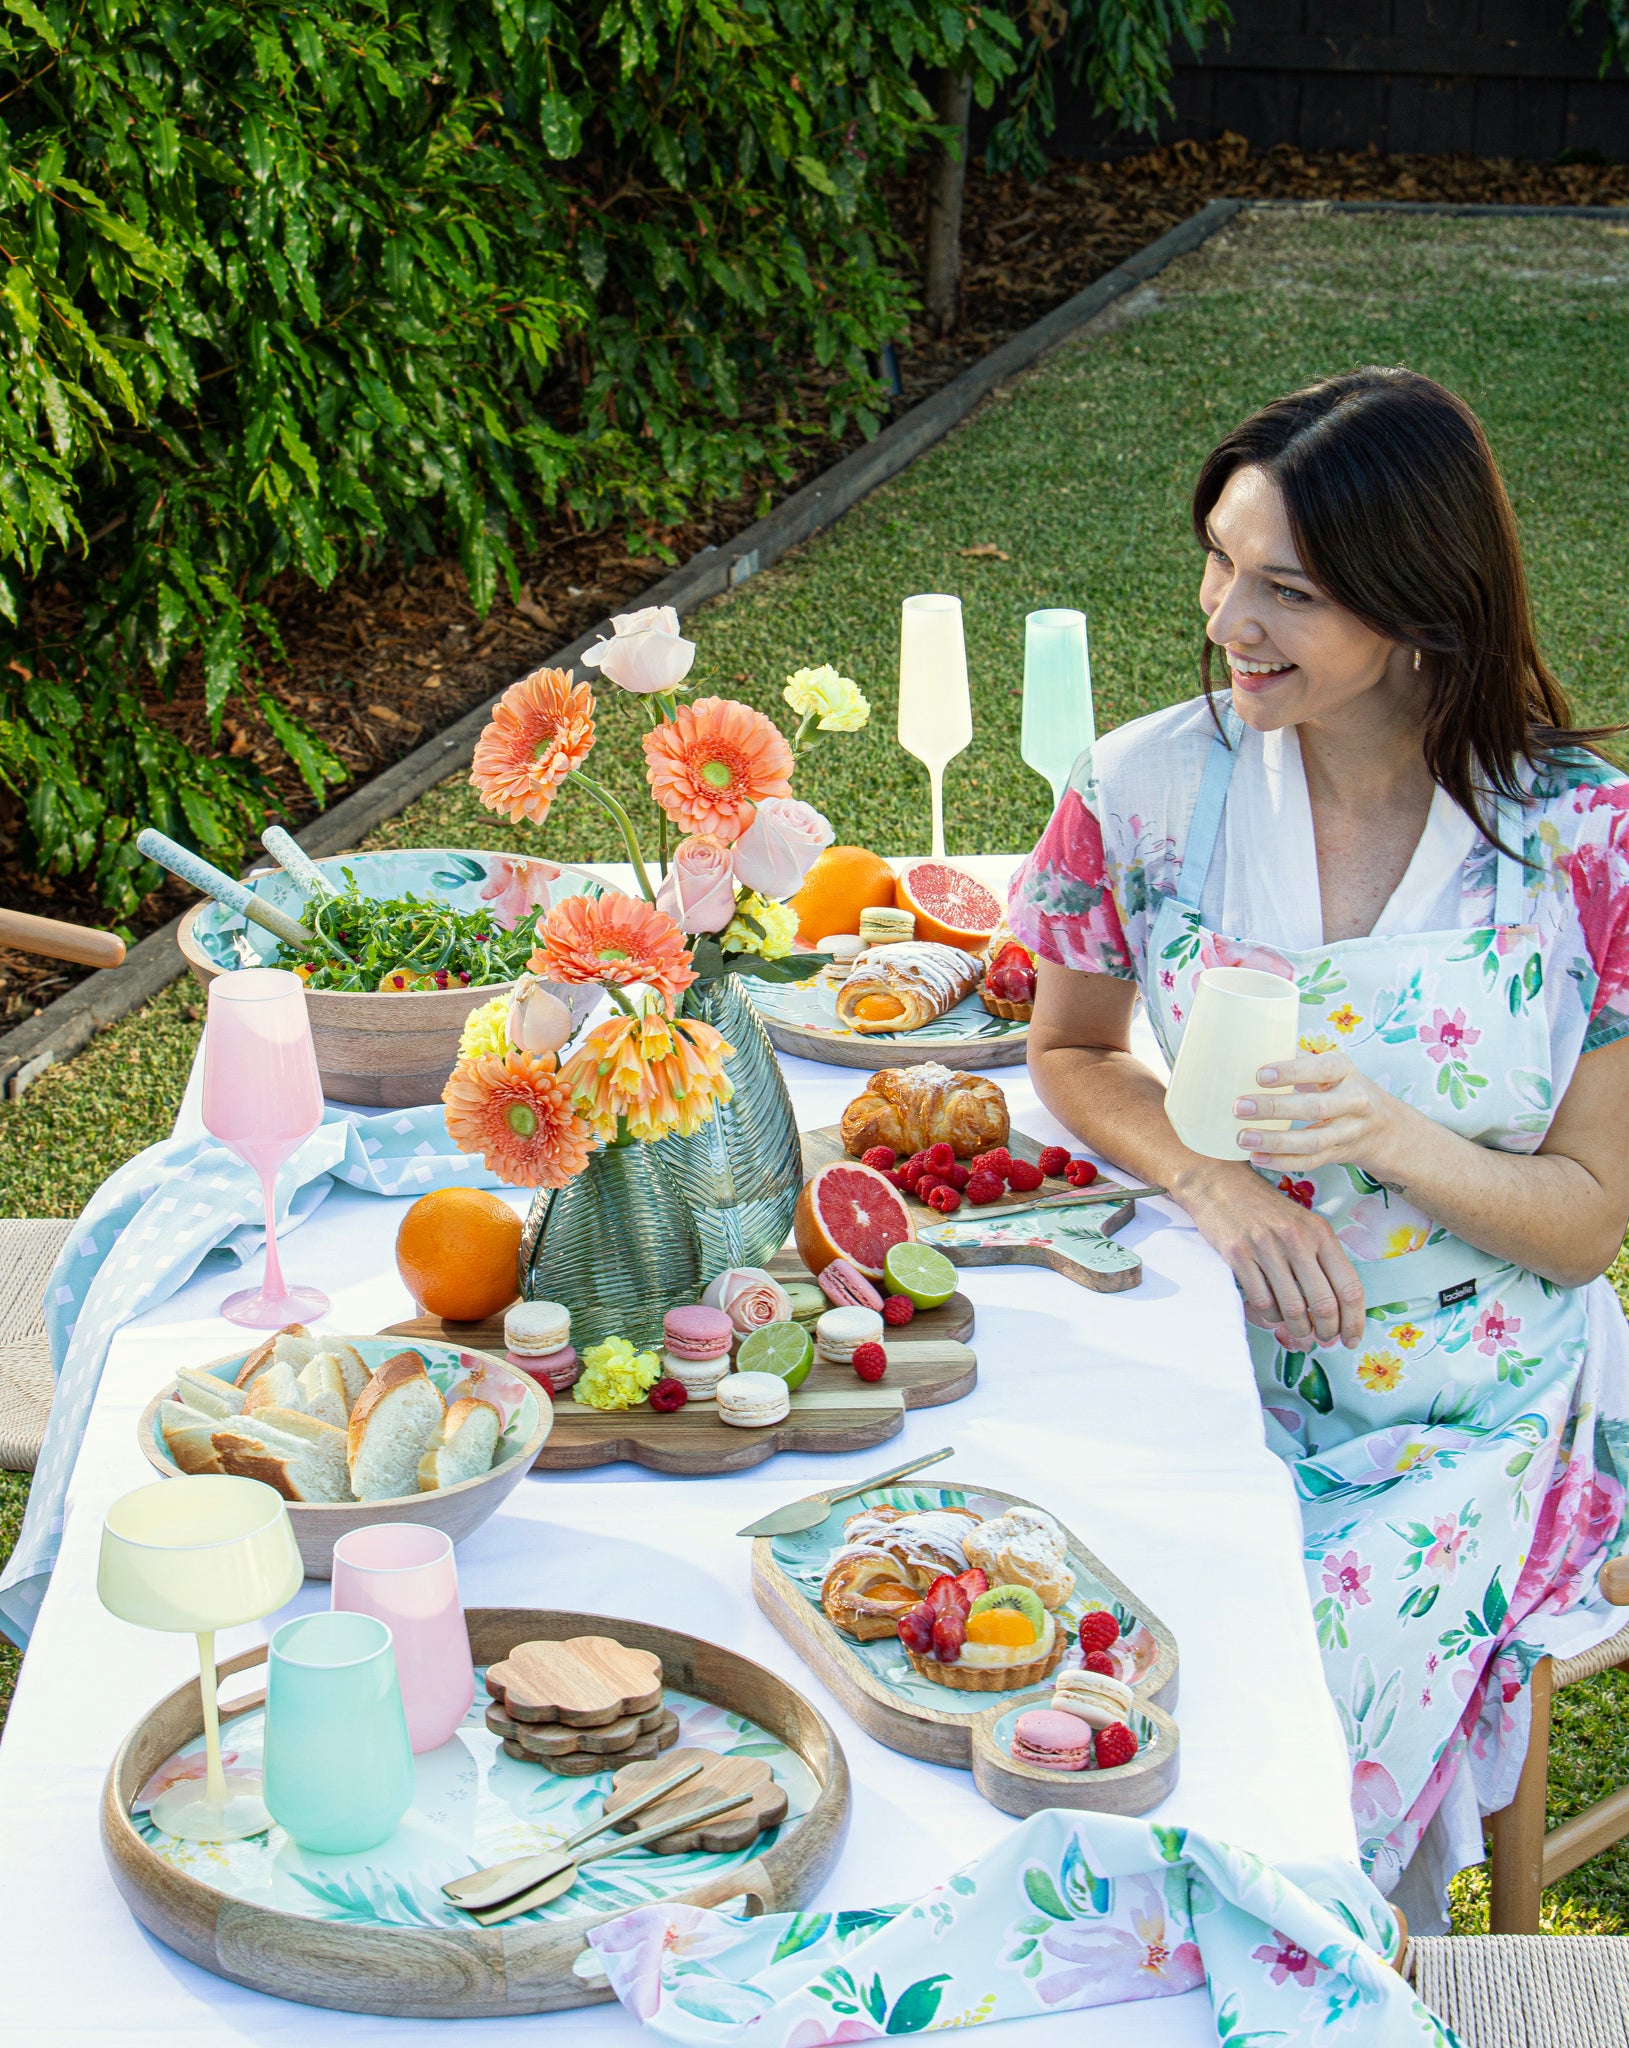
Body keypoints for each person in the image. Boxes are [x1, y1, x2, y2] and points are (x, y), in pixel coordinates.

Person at [1009, 367, 1629, 1924]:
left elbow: (1583, 1226)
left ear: (1421, 608)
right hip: (1203, 1368)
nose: (1228, 620)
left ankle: (1344, 1977)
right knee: (1053, 1686)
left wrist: (1392, 1135)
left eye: (1286, 588)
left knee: (1249, 1759)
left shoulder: (1587, 843)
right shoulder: (1140, 789)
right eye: (1219, 560)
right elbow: (1071, 1051)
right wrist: (1212, 1184)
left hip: (1466, 1414)